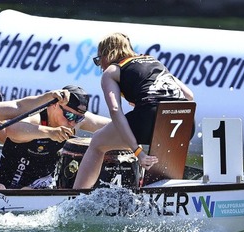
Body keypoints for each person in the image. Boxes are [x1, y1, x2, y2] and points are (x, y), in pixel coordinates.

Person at [72, 32, 194, 189]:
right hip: (185, 121)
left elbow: (115, 110)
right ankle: (160, 189)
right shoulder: (153, 61)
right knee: (155, 145)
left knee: (97, 141)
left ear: (107, 54)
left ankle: (76, 196)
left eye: (98, 60)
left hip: (149, 117)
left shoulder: (112, 71)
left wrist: (137, 151)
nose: (100, 66)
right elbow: (189, 96)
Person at [0, 85, 110, 190]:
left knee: (28, 191)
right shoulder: (36, 117)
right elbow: (12, 130)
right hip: (3, 184)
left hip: (39, 187)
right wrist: (49, 132)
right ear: (54, 105)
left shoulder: (76, 121)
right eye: (69, 116)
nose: (72, 122)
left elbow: (113, 126)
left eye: (79, 118)